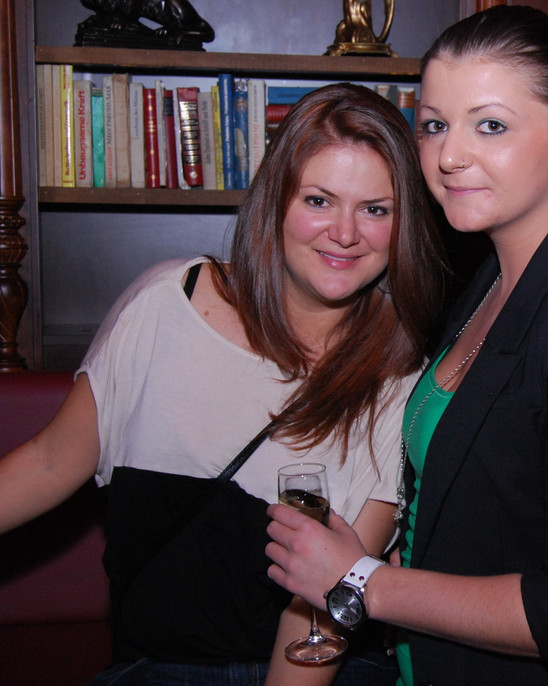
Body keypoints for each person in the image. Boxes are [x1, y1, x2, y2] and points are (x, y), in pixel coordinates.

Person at [266, 6, 548, 685]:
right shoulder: (488, 276)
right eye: (435, 125)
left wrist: (363, 581)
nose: (449, 155)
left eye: (490, 125)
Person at [0, 83, 444, 685]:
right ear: (275, 200)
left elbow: (318, 613)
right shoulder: (168, 303)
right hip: (156, 667)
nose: (345, 233)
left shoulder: (399, 374)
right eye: (318, 200)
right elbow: (51, 462)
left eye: (376, 210)